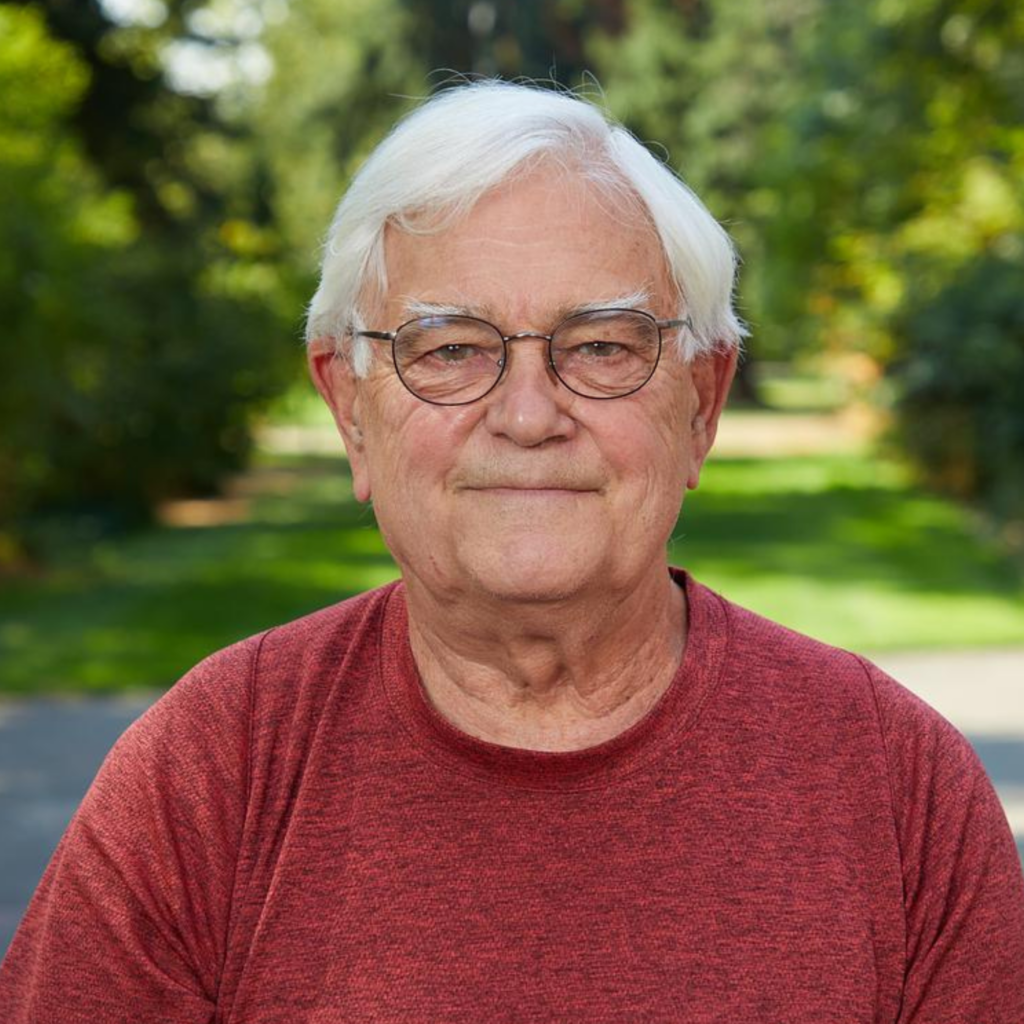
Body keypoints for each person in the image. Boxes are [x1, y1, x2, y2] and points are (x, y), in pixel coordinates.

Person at [2, 80, 1022, 1023]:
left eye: (603, 347)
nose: (528, 415)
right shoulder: (209, 771)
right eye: (449, 348)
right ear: (350, 409)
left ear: (702, 403)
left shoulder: (896, 784)